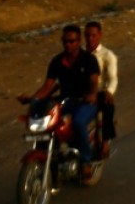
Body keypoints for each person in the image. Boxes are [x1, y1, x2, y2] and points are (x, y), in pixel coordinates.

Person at [19, 25, 100, 180]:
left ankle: (85, 162)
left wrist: (92, 95)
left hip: (85, 102)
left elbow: (94, 80)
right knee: (47, 124)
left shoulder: (89, 59)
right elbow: (47, 86)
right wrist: (33, 99)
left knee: (78, 123)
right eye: (65, 41)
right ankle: (48, 158)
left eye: (71, 41)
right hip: (65, 102)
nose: (68, 44)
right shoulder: (57, 61)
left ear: (78, 41)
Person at [84, 20, 118, 159]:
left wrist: (109, 91)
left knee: (108, 107)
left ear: (100, 35)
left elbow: (113, 78)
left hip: (100, 93)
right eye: (87, 35)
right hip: (82, 93)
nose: (90, 38)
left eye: (93, 35)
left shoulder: (107, 55)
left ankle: (105, 142)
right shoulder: (80, 54)